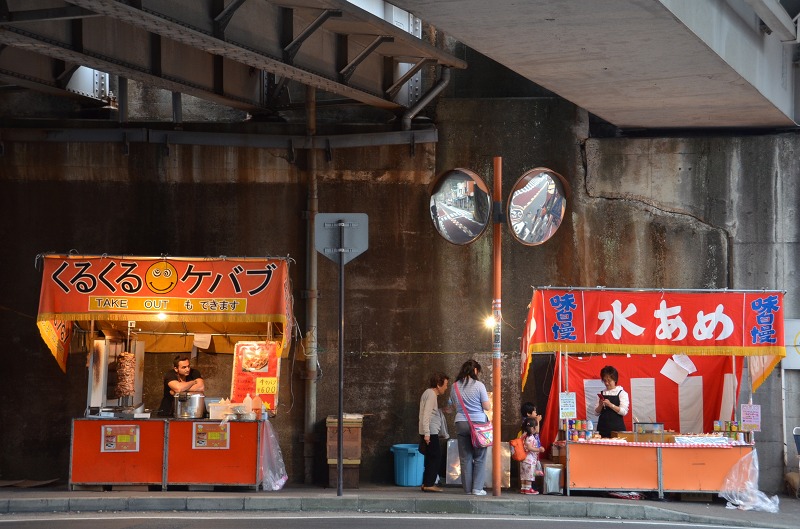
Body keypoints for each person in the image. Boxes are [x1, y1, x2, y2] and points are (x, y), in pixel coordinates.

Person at [450, 359, 492, 496]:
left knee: (465, 457)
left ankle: (467, 489)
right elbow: (487, 406)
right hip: (478, 424)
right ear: (475, 370)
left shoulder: (454, 386)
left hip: (461, 423)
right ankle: (477, 488)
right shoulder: (479, 385)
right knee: (480, 457)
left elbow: (455, 407)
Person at [418, 372, 450, 492]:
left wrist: (441, 410)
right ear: (438, 384)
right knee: (435, 457)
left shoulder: (428, 393)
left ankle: (426, 483)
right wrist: (427, 433)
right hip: (430, 431)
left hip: (428, 430)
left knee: (431, 457)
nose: (446, 387)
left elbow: (429, 412)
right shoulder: (431, 394)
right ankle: (429, 484)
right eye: (445, 384)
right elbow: (426, 415)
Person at [594, 365, 629, 438]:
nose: (607, 383)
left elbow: (624, 412)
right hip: (602, 428)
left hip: (617, 429)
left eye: (609, 381)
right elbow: (596, 413)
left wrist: (610, 405)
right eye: (604, 381)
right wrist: (600, 405)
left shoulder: (622, 393)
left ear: (615, 380)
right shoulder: (601, 393)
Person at [519, 417, 544, 494]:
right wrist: (539, 449)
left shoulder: (523, 436)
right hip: (529, 459)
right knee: (529, 475)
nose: (536, 428)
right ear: (532, 428)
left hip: (523, 459)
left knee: (524, 475)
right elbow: (530, 447)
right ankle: (528, 489)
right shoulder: (530, 437)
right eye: (536, 427)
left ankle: (523, 488)